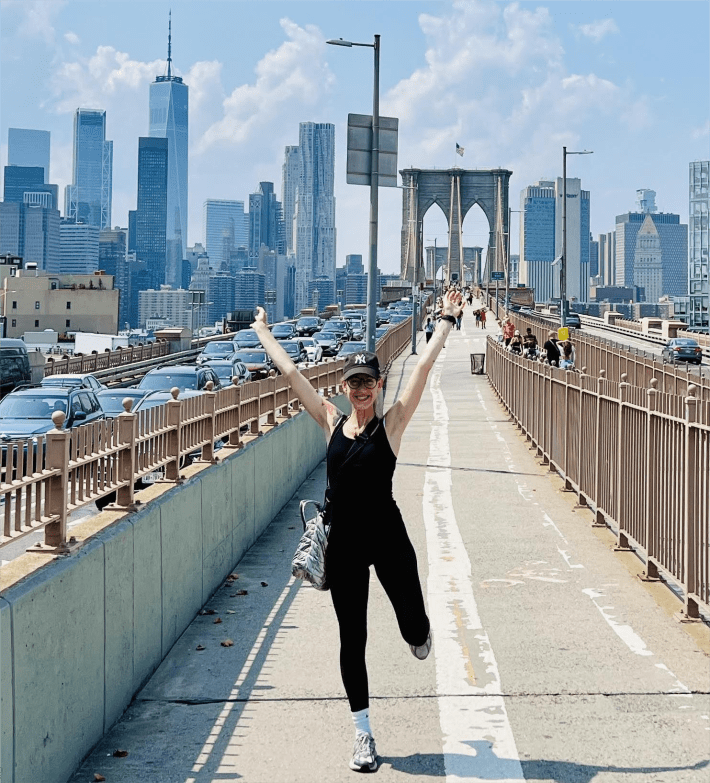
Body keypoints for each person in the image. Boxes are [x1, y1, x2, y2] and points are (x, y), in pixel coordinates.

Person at [251, 290, 465, 773]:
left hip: (388, 537)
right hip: (344, 544)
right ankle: (363, 733)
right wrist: (263, 331)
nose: (362, 389)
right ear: (345, 389)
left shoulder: (391, 426)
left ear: (379, 382)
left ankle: (418, 628)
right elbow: (292, 375)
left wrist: (448, 319)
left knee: (415, 626)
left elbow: (426, 368)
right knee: (353, 637)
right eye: (354, 383)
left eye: (368, 381)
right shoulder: (330, 421)